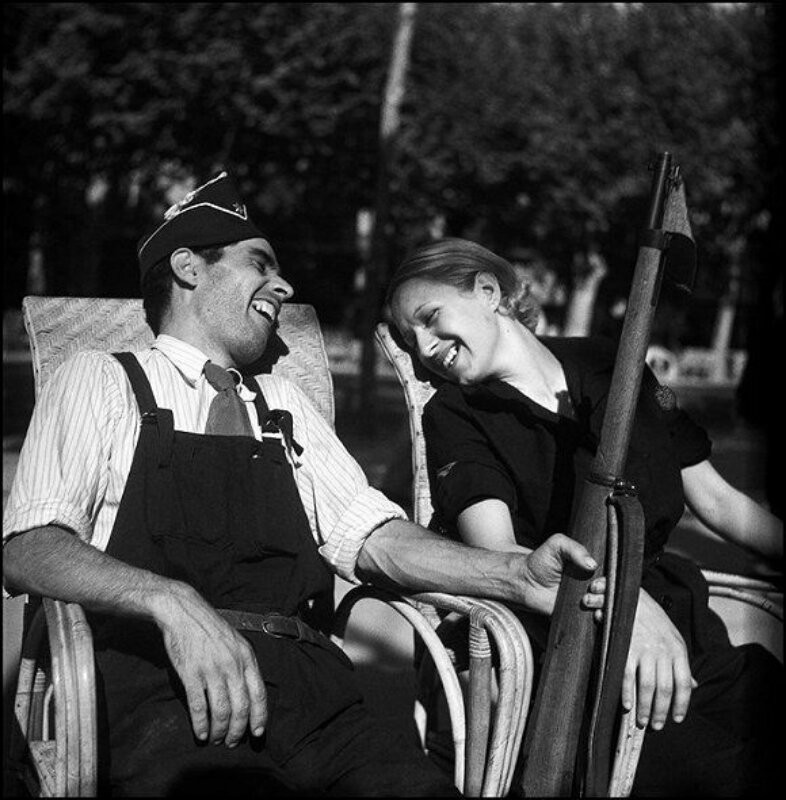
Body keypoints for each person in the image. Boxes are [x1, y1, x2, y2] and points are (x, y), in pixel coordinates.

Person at [2, 175, 604, 797]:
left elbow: (375, 539)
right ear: (188, 267)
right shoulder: (102, 379)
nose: (284, 286)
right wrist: (169, 600)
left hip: (317, 700)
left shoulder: (282, 401)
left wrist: (515, 574)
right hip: (166, 687)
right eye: (260, 264)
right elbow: (29, 546)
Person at [386, 237, 783, 797]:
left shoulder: (609, 361)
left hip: (691, 637)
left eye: (430, 319)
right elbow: (499, 554)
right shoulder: (455, 415)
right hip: (578, 659)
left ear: (487, 291)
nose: (425, 348)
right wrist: (624, 607)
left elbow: (716, 501)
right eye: (411, 340)